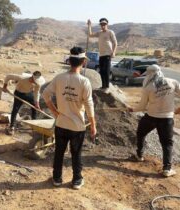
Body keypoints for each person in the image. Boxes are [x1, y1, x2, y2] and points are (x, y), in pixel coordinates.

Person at [43, 46, 97, 189]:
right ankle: (77, 180)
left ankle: (57, 178)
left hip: (61, 124)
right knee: (76, 153)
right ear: (83, 62)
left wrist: (55, 112)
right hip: (77, 127)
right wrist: (93, 125)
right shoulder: (84, 81)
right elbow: (89, 105)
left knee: (59, 152)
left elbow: (45, 94)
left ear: (70, 61)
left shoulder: (59, 78)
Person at [127, 64, 180, 177]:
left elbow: (142, 106)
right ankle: (167, 169)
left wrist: (132, 109)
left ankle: (139, 155)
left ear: (149, 74)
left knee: (141, 133)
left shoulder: (148, 87)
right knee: (167, 144)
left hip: (151, 117)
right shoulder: (173, 82)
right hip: (167, 119)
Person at [87, 18, 117, 89]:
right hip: (101, 55)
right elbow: (90, 35)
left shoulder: (110, 32)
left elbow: (115, 43)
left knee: (106, 70)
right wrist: (89, 25)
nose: (103, 26)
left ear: (107, 24)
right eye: (101, 24)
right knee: (102, 71)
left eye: (104, 24)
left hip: (108, 54)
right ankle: (103, 85)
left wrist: (114, 52)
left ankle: (107, 86)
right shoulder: (99, 33)